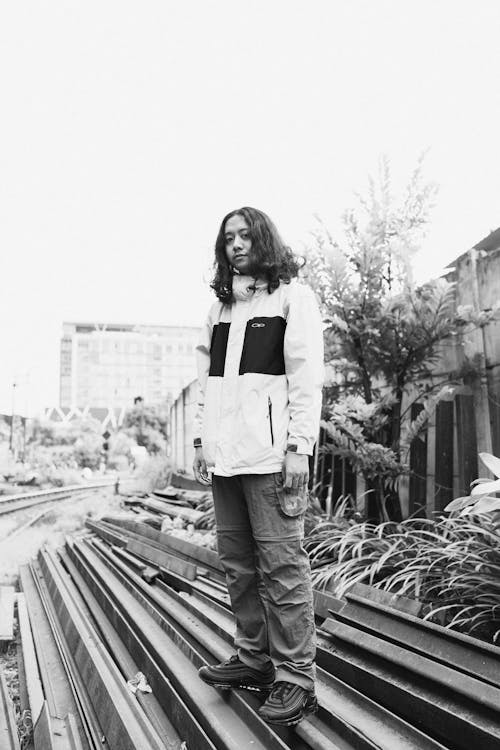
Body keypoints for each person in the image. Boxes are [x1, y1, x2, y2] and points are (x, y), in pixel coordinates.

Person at [192, 206, 324, 726]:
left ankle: (296, 678)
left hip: (271, 458)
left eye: (246, 235)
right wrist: (201, 441)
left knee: (282, 569)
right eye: (229, 239)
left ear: (264, 239)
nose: (237, 245)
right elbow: (205, 383)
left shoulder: (293, 297)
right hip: (226, 461)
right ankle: (254, 661)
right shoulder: (220, 308)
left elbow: (306, 375)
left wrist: (299, 446)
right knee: (239, 566)